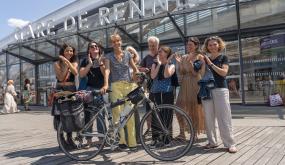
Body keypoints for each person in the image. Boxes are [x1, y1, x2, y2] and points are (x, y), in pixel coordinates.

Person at [103, 34, 139, 151]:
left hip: (129, 85)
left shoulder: (128, 54)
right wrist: (106, 84)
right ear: (111, 44)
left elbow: (134, 68)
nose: (116, 43)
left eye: (118, 41)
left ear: (121, 41)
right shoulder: (108, 56)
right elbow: (107, 70)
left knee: (129, 114)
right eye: (113, 42)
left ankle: (132, 142)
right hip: (115, 86)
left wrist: (137, 76)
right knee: (117, 114)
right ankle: (122, 141)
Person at [202, 36, 237, 153]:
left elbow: (223, 73)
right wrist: (202, 64)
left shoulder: (223, 57)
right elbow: (200, 74)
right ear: (207, 46)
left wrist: (210, 63)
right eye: (210, 45)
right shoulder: (204, 58)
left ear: (219, 45)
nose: (212, 47)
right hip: (207, 90)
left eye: (214, 44)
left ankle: (230, 143)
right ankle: (212, 142)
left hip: (220, 89)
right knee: (209, 118)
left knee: (224, 117)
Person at [174, 37, 205, 140]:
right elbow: (182, 72)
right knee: (178, 108)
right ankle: (182, 133)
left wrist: (190, 64)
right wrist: (179, 63)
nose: (188, 46)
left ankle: (194, 133)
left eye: (191, 45)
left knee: (193, 109)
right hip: (185, 83)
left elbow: (195, 73)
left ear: (196, 46)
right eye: (188, 44)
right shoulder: (184, 57)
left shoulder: (199, 57)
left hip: (194, 82)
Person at [79, 41, 106, 148]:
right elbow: (81, 74)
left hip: (101, 89)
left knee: (101, 115)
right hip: (90, 89)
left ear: (98, 49)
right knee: (89, 115)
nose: (94, 47)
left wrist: (100, 63)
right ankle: (89, 140)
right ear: (89, 50)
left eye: (96, 46)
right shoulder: (85, 61)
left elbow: (106, 74)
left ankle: (101, 140)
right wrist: (90, 64)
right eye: (92, 46)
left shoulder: (103, 59)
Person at [53, 43, 78, 149]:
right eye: (67, 50)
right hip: (60, 90)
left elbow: (75, 72)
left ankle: (69, 137)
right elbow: (61, 76)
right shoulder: (56, 63)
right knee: (59, 114)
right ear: (63, 52)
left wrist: (67, 62)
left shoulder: (74, 62)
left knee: (71, 114)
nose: (69, 52)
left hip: (71, 90)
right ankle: (61, 138)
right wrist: (64, 63)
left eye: (71, 51)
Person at [149, 45, 175, 147]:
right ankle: (155, 138)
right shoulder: (155, 64)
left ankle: (167, 139)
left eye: (162, 51)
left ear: (167, 53)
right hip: (155, 92)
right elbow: (153, 76)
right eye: (159, 51)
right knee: (155, 116)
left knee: (167, 115)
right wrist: (159, 64)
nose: (159, 53)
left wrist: (166, 63)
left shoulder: (171, 65)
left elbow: (166, 75)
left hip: (167, 92)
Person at [139, 36, 160, 134]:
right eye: (150, 46)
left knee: (160, 107)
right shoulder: (147, 58)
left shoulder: (161, 54)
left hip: (161, 85)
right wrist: (145, 69)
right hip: (150, 86)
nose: (152, 47)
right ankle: (149, 129)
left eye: (154, 45)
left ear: (158, 45)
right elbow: (139, 68)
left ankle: (160, 129)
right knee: (149, 108)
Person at [126, 46, 141, 143]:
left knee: (135, 114)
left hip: (134, 91)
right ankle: (127, 138)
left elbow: (137, 80)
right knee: (125, 114)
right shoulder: (123, 65)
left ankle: (138, 137)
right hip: (124, 90)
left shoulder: (136, 66)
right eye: (128, 52)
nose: (130, 54)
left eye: (132, 52)